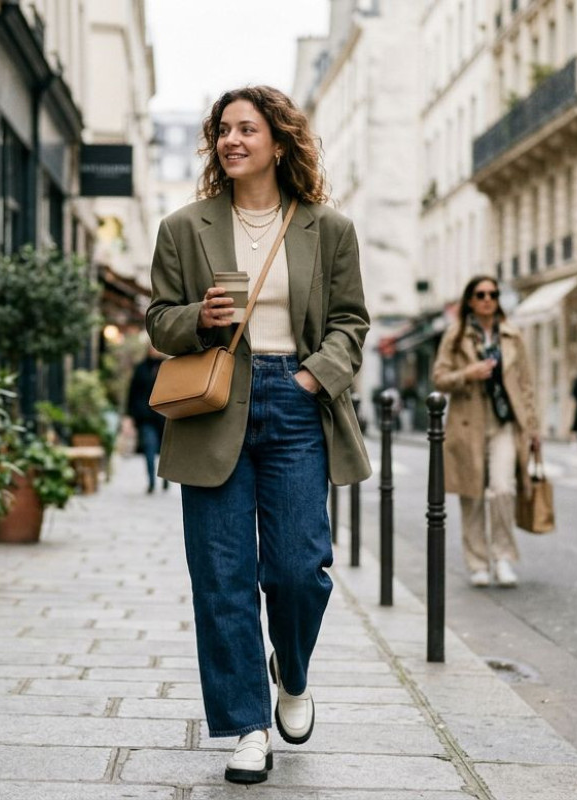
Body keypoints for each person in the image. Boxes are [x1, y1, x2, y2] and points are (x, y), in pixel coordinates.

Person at [145, 86, 371, 785]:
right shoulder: (185, 227)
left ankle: (291, 671)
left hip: (296, 404)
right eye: (222, 131)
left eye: (248, 129)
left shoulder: (326, 229)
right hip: (215, 408)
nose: (232, 140)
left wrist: (311, 379)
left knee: (300, 569)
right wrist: (199, 320)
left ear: (279, 141)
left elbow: (351, 323)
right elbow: (157, 320)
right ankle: (248, 724)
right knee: (222, 578)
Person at [432, 275, 540, 589]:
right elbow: (439, 378)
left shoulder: (512, 335)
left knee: (503, 489)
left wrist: (532, 428)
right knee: (472, 496)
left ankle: (503, 557)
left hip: (504, 423)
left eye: (493, 294)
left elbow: (526, 385)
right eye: (480, 294)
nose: (487, 299)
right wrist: (469, 373)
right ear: (470, 300)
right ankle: (478, 562)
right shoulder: (456, 335)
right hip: (468, 423)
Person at [125, 343, 170, 494]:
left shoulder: (167, 366)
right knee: (149, 449)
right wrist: (131, 415)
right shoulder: (141, 368)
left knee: (165, 450)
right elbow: (132, 392)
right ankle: (151, 481)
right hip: (145, 417)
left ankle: (165, 479)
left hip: (164, 416)